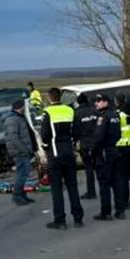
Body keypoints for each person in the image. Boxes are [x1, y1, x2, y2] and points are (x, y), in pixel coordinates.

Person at [39, 87, 84, 230]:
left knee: (57, 189)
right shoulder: (70, 111)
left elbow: (45, 135)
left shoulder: (47, 112)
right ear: (60, 97)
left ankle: (60, 220)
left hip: (55, 154)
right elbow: (77, 131)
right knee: (72, 187)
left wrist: (45, 147)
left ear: (49, 98)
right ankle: (78, 218)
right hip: (69, 153)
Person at [91, 93, 127, 220]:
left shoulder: (103, 117)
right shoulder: (115, 115)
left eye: (99, 101)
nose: (96, 103)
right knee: (117, 181)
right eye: (96, 101)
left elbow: (99, 137)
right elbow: (118, 134)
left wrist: (93, 150)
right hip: (114, 150)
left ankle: (106, 212)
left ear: (106, 102)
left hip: (105, 152)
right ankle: (120, 210)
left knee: (104, 183)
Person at [3, 98, 36, 205]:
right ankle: (17, 195)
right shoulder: (12, 119)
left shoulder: (19, 117)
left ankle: (22, 195)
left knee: (23, 173)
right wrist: (24, 149)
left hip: (23, 150)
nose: (25, 108)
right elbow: (13, 137)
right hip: (20, 151)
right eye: (23, 106)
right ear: (19, 107)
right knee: (22, 174)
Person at [72, 93, 100, 199]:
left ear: (78, 102)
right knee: (99, 167)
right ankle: (103, 189)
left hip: (85, 144)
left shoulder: (77, 113)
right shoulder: (95, 111)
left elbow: (75, 131)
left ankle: (91, 191)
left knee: (88, 168)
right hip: (96, 143)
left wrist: (75, 142)